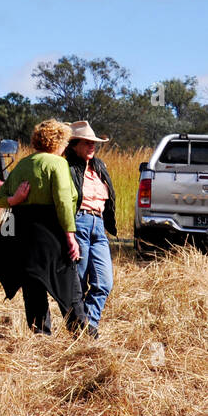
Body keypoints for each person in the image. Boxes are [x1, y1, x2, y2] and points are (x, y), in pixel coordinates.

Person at [0, 119, 84, 335]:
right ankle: (80, 334)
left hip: (25, 234)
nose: (66, 146)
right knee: (68, 286)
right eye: (65, 141)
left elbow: (0, 199)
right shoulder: (58, 164)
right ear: (58, 141)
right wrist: (70, 236)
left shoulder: (23, 164)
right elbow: (63, 201)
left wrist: (16, 199)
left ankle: (40, 335)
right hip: (52, 232)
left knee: (33, 285)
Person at [65, 121, 117, 338]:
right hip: (80, 223)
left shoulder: (100, 166)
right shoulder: (67, 167)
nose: (92, 146)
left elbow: (110, 197)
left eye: (94, 143)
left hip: (99, 226)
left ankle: (88, 323)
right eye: (87, 143)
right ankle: (80, 326)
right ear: (74, 145)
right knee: (79, 280)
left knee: (104, 281)